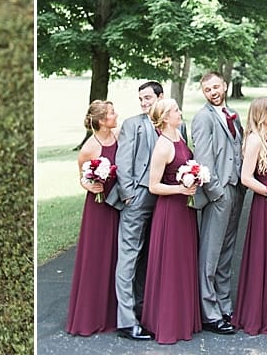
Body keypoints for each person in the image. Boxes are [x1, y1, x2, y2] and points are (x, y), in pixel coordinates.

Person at [140, 98, 202, 344]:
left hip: (184, 211)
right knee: (171, 266)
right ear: (165, 117)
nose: (180, 112)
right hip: (170, 213)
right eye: (176, 110)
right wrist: (180, 189)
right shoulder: (163, 146)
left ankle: (184, 318)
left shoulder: (179, 136)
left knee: (184, 263)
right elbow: (153, 186)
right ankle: (168, 322)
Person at [231, 97, 267, 335]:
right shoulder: (255, 140)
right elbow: (246, 178)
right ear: (260, 115)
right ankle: (257, 314)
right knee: (261, 257)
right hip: (263, 204)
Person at [191, 71, 244, 335]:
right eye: (207, 89)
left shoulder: (232, 113)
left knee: (226, 252)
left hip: (236, 189)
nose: (212, 92)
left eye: (216, 87)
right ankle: (209, 312)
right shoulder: (203, 117)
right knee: (210, 254)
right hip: (219, 192)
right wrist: (216, 191)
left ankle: (225, 306)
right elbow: (203, 158)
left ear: (224, 85)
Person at [65, 100, 121, 336]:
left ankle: (115, 313)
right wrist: (90, 186)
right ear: (101, 121)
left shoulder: (119, 135)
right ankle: (91, 315)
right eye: (111, 113)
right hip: (98, 207)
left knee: (117, 255)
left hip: (117, 203)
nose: (115, 115)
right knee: (96, 257)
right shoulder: (89, 148)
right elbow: (82, 177)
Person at [113, 81, 163, 341]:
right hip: (138, 197)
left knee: (152, 256)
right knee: (129, 256)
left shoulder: (175, 123)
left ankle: (147, 312)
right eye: (140, 99)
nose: (144, 103)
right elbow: (123, 161)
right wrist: (129, 194)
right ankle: (126, 320)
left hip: (165, 201)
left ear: (160, 97)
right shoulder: (133, 124)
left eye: (147, 98)